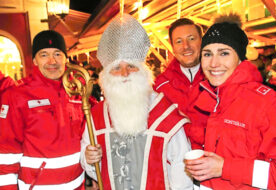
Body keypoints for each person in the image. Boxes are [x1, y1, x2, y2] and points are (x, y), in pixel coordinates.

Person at [185, 13, 276, 190]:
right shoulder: (211, 99)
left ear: (240, 59)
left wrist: (224, 168)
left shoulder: (269, 104)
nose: (214, 63)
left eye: (224, 53)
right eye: (207, 54)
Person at [80, 14, 193, 190]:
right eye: (117, 68)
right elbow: (93, 170)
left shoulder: (166, 114)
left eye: (131, 66)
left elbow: (181, 166)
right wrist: (88, 159)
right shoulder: (95, 117)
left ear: (143, 71)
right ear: (107, 76)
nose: (125, 74)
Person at [0, 30, 86, 189]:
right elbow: (6, 154)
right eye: (44, 55)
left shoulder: (77, 92)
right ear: (34, 60)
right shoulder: (17, 95)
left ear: (66, 58)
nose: (52, 61)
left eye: (58, 54)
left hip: (77, 185)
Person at [153, 18, 208, 149]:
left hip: (212, 160)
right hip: (176, 163)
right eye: (179, 41)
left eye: (191, 38)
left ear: (202, 41)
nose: (186, 46)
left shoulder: (217, 79)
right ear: (172, 47)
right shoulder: (159, 86)